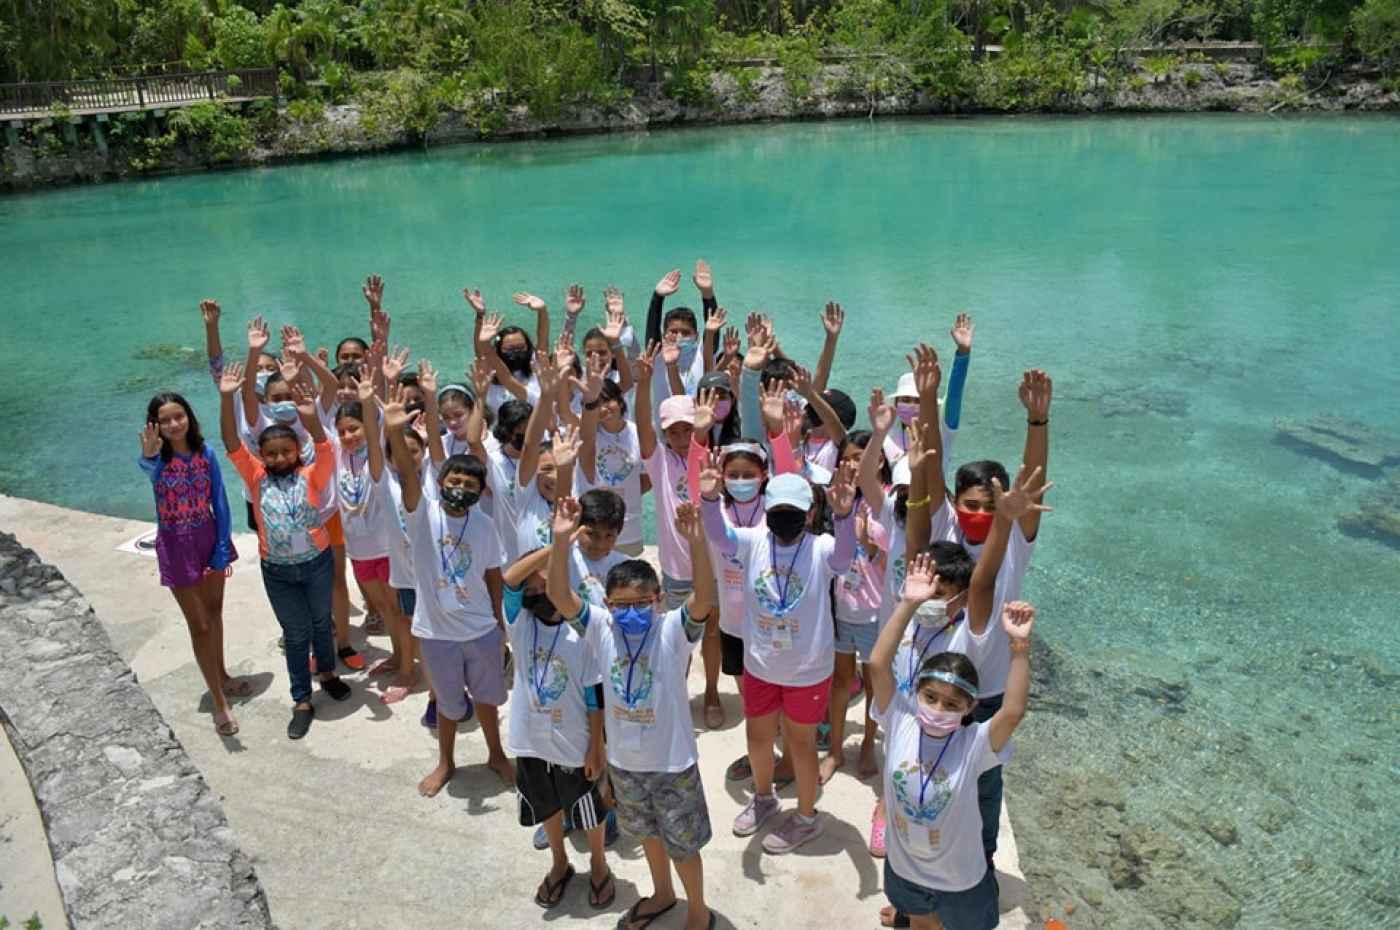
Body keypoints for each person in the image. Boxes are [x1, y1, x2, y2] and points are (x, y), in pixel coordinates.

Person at [547, 496, 718, 930]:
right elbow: (556, 594)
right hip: (625, 765)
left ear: (659, 600)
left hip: (671, 763)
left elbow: (703, 597)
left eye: (642, 604)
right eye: (621, 605)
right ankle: (662, 894)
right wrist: (560, 542)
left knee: (683, 844)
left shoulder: (673, 631)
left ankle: (697, 910)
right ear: (606, 603)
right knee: (647, 833)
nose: (631, 613)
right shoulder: (600, 628)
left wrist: (696, 542)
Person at [869, 550, 1038, 930]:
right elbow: (878, 664)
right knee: (921, 923)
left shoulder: (974, 744)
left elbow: (1011, 712)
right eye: (930, 698)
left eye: (951, 703)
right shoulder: (901, 721)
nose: (938, 709)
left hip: (959, 879)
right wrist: (910, 603)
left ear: (969, 708)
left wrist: (1020, 649)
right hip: (906, 868)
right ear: (916, 693)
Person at [700, 459, 860, 855]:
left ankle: (807, 818)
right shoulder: (755, 541)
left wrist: (844, 516)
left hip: (807, 669)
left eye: (792, 513)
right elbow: (719, 536)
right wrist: (707, 498)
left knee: (802, 744)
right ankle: (765, 796)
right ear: (767, 512)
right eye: (776, 513)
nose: (784, 519)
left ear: (809, 513)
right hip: (761, 665)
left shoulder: (820, 546)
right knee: (758, 737)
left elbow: (844, 559)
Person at [383, 383, 515, 795]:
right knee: (446, 703)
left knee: (488, 699)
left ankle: (496, 753)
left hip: (480, 629)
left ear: (480, 492)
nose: (461, 488)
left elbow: (494, 575)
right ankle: (446, 761)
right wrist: (392, 431)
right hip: (436, 633)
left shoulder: (485, 524)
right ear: (440, 482)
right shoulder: (422, 514)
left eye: (470, 484)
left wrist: (500, 622)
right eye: (454, 479)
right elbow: (407, 472)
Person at [218, 363, 352, 740]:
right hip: (277, 571)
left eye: (285, 451)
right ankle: (302, 700)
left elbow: (324, 447)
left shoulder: (312, 474)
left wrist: (310, 416)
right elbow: (230, 442)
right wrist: (227, 397)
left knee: (322, 624)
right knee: (295, 634)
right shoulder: (256, 476)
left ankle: (328, 673)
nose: (278, 458)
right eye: (271, 453)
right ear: (261, 456)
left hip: (316, 564)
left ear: (297, 451)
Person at [501, 546, 614, 911]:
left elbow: (594, 695)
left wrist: (596, 748)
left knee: (587, 807)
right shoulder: (518, 623)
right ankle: (559, 861)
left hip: (572, 740)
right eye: (531, 590)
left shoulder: (583, 630)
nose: (535, 595)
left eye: (543, 588)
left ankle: (598, 862)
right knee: (544, 803)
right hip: (529, 740)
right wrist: (555, 547)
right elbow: (510, 579)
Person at [140, 392, 243, 735]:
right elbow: (151, 473)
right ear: (155, 425)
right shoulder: (156, 460)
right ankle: (219, 702)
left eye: (178, 416)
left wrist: (222, 547)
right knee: (198, 624)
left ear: (189, 417)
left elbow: (220, 500)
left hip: (208, 536)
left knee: (215, 613)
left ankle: (223, 674)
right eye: (165, 420)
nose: (173, 425)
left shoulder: (206, 452)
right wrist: (149, 455)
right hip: (176, 543)